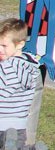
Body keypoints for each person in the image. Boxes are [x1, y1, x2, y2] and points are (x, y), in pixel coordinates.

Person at [0, 18, 42, 146]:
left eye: (4, 46)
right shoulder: (30, 66)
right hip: (19, 128)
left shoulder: (6, 68)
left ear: (20, 44)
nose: (0, 49)